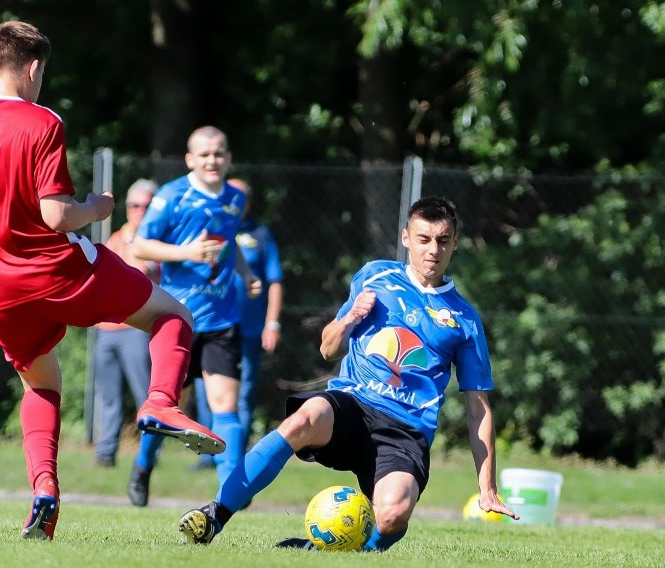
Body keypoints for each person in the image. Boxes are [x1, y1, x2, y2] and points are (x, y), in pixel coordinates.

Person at [0, 21, 223, 541]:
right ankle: (161, 403)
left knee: (42, 383)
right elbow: (57, 217)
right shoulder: (41, 122)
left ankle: (44, 493)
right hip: (55, 270)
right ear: (33, 68)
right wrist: (97, 207)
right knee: (173, 315)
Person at [178, 196, 519, 550]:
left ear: (455, 243)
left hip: (405, 431)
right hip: (353, 403)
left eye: (442, 240)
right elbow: (327, 348)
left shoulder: (464, 319)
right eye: (423, 239)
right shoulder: (375, 276)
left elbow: (478, 407)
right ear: (406, 238)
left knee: (393, 513)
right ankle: (214, 515)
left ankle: (347, 551)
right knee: (300, 420)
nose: (433, 249)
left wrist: (487, 488)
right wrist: (350, 318)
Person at [127, 126, 261, 506]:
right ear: (190, 160)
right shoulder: (171, 196)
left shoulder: (235, 198)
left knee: (225, 407)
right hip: (178, 322)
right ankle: (143, 467)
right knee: (164, 407)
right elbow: (140, 245)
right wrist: (186, 253)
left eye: (218, 154)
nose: (212, 161)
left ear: (228, 157)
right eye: (204, 155)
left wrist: (246, 273)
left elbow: (228, 241)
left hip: (222, 321)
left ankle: (231, 490)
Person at [194, 178, 283, 469]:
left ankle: (234, 456)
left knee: (241, 395)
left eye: (239, 197)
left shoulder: (261, 235)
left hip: (247, 329)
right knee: (205, 393)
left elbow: (274, 281)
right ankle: (209, 455)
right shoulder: (206, 230)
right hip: (209, 325)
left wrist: (272, 323)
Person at [92, 179, 160, 467]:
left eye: (146, 205)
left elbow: (138, 274)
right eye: (135, 205)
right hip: (107, 329)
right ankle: (106, 453)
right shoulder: (116, 239)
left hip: (136, 329)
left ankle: (147, 456)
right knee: (108, 397)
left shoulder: (156, 241)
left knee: (146, 396)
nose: (140, 211)